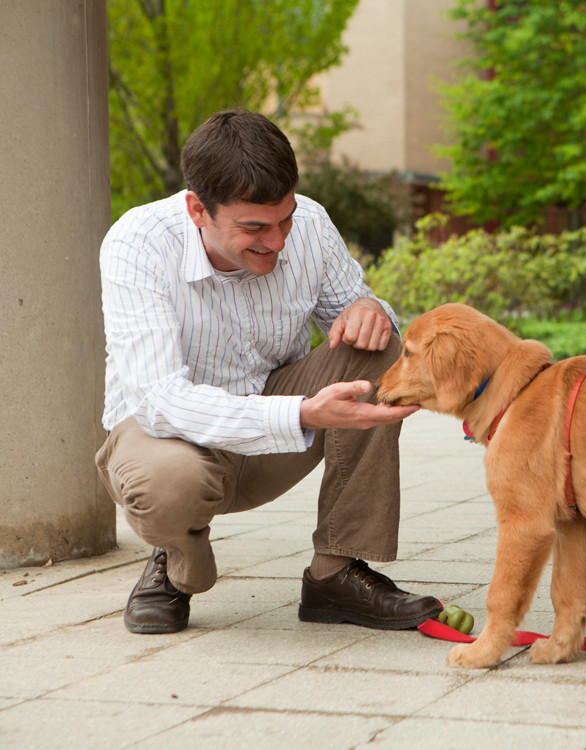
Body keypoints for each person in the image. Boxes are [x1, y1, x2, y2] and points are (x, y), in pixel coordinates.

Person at [96, 109, 441, 634]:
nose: (277, 242)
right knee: (166, 484)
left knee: (380, 351)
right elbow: (160, 400)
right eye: (254, 228)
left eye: (285, 220)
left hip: (273, 435)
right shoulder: (138, 243)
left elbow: (356, 313)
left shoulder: (311, 225)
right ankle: (176, 565)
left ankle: (337, 573)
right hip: (171, 441)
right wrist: (303, 412)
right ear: (197, 209)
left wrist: (369, 309)